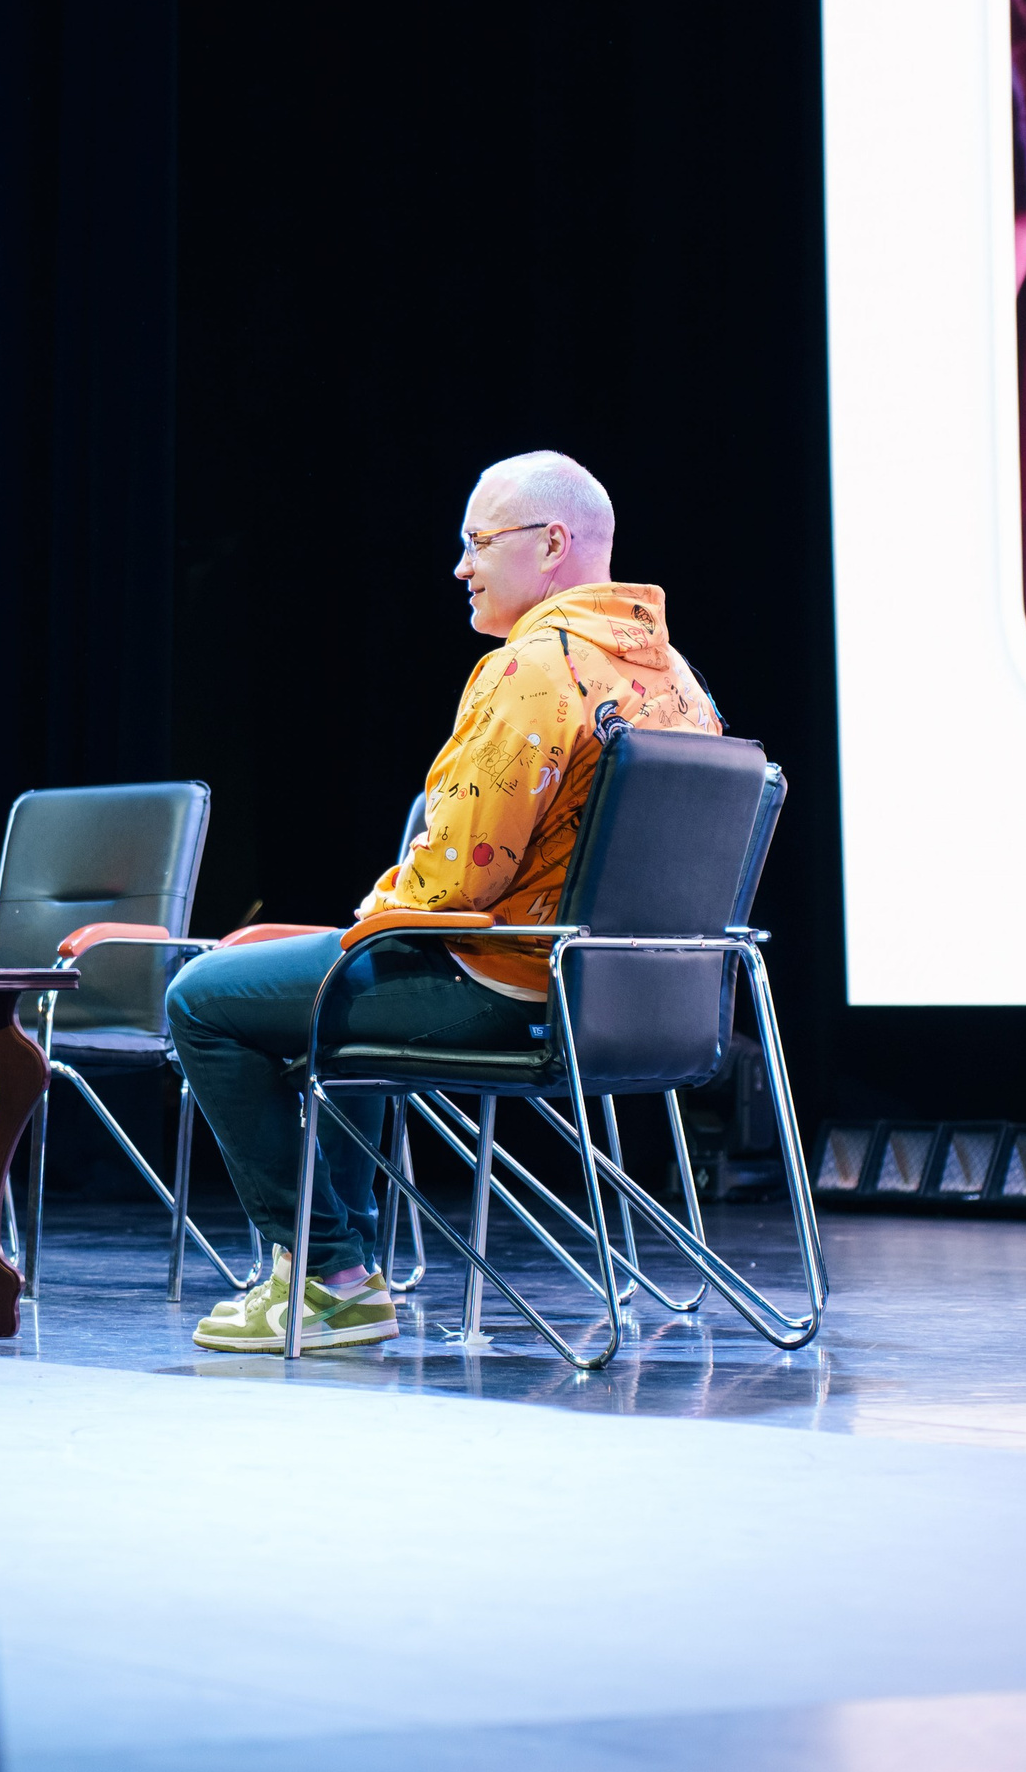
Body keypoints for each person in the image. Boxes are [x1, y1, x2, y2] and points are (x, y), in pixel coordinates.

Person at [165, 450, 723, 1353]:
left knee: (201, 998)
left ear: (551, 545)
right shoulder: (682, 683)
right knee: (335, 985)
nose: (462, 567)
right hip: (644, 1007)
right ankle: (343, 1271)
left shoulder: (535, 668)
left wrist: (367, 917)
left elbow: (460, 880)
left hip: (509, 987)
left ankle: (326, 1276)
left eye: (478, 543)